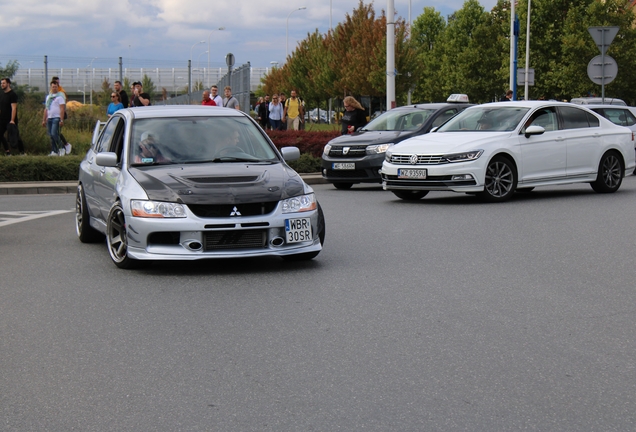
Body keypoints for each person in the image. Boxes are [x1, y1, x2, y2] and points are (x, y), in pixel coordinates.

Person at [0, 78, 25, 156]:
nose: (2, 85)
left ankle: (22, 152)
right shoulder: (1, 94)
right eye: (1, 83)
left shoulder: (12, 94)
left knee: (14, 137)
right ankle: (8, 152)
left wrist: (12, 120)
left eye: (4, 83)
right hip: (2, 119)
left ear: (8, 84)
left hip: (10, 119)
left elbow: (14, 108)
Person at [42, 80, 66, 156]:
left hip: (56, 117)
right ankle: (54, 151)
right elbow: (46, 108)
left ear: (57, 87)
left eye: (55, 87)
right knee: (51, 135)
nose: (54, 88)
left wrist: (61, 119)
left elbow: (62, 109)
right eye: (53, 87)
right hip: (49, 117)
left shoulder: (60, 97)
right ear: (51, 87)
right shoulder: (48, 97)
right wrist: (44, 119)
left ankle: (62, 148)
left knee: (54, 133)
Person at [51, 77, 72, 155]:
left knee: (56, 132)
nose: (56, 85)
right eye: (55, 83)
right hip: (52, 116)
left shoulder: (62, 92)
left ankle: (64, 145)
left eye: (57, 83)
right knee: (53, 133)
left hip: (59, 115)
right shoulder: (51, 92)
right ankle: (55, 150)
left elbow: (63, 104)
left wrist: (61, 117)